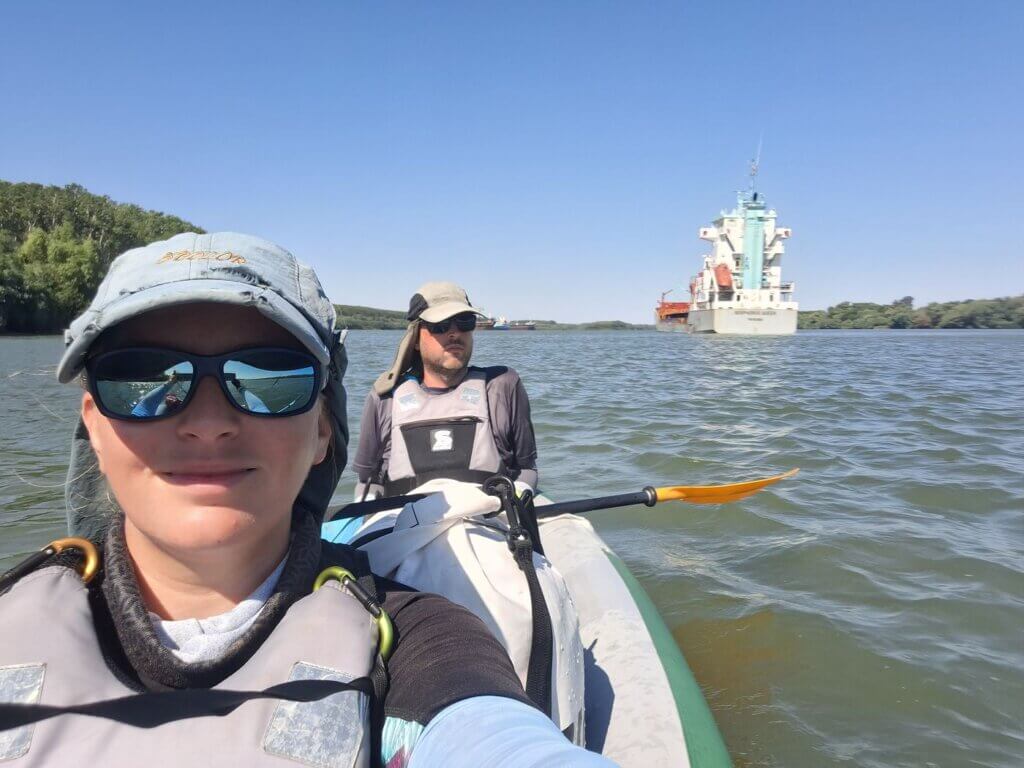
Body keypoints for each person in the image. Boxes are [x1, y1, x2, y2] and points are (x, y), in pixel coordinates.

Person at [0, 233, 613, 767]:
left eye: (271, 379)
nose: (207, 423)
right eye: (143, 381)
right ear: (96, 427)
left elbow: (484, 730)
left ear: (323, 429)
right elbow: (372, 477)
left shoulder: (419, 640)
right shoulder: (387, 400)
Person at [353, 281, 539, 500]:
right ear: (414, 338)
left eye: (465, 322)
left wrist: (520, 495)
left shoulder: (503, 385)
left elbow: (526, 469)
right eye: (440, 324)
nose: (454, 333)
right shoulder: (384, 398)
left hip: (489, 523)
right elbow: (367, 481)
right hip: (406, 528)